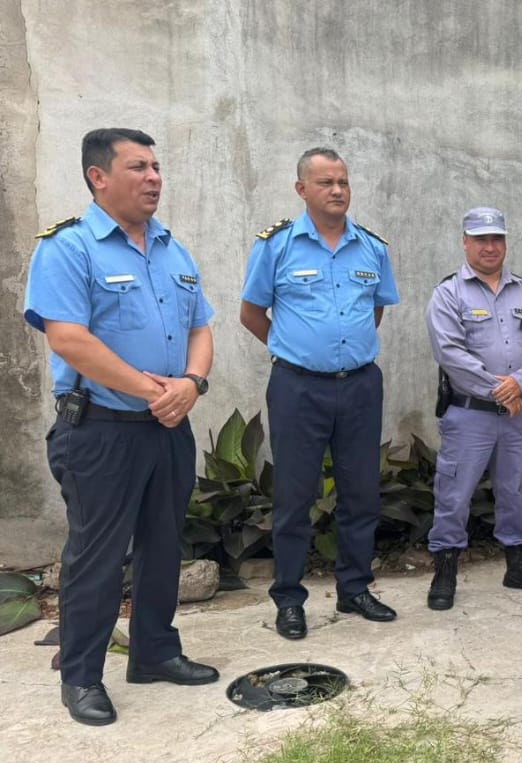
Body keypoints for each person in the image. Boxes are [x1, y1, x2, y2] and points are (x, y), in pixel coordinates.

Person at [24, 128, 219, 726]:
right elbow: (68, 339)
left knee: (163, 546)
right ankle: (82, 676)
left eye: (156, 166)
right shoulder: (69, 247)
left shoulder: (172, 249)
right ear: (98, 177)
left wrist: (192, 383)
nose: (154, 177)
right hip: (101, 431)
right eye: (138, 167)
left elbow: (201, 326)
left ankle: (155, 652)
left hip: (167, 427)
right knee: (97, 556)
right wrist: (155, 391)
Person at [240, 147, 399, 641]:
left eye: (343, 182)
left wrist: (340, 351)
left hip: (360, 386)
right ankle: (289, 599)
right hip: (297, 388)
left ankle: (355, 589)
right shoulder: (276, 247)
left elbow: (375, 311)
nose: (337, 190)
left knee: (360, 493)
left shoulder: (371, 248)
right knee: (294, 498)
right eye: (326, 182)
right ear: (301, 189)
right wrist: (296, 350)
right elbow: (251, 314)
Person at [425, 207, 522, 610]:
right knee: (455, 493)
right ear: (465, 242)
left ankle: (517, 564)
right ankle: (445, 569)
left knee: (513, 491)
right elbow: (450, 353)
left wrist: (520, 382)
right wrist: (503, 390)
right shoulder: (449, 293)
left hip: (515, 416)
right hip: (469, 414)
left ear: (505, 242)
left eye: (496, 238)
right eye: (481, 239)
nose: (489, 246)